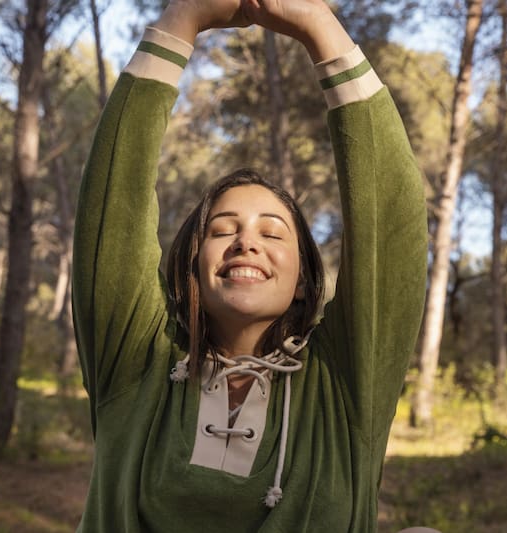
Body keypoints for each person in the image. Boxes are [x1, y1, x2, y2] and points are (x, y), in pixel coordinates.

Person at [71, 0, 429, 531]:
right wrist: (183, 18)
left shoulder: (345, 384)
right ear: (192, 267)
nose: (245, 243)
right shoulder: (137, 362)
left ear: (304, 280)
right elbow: (112, 207)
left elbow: (392, 226)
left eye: (272, 232)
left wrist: (319, 24)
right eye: (222, 230)